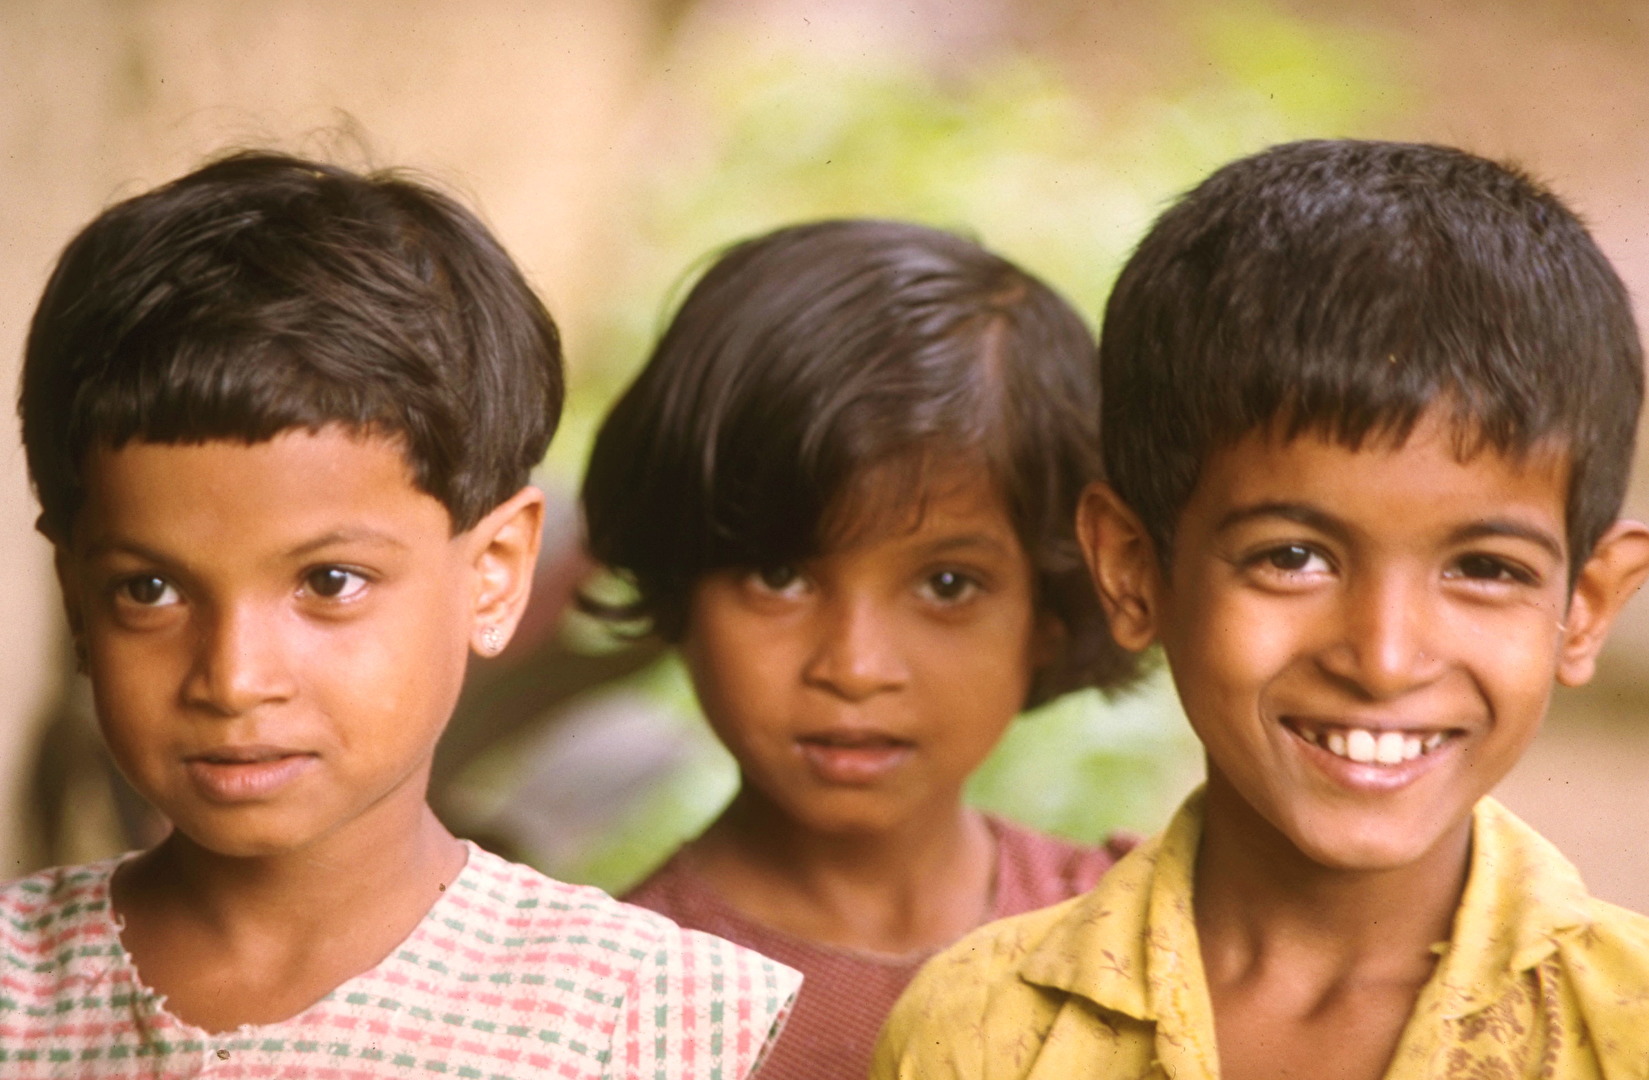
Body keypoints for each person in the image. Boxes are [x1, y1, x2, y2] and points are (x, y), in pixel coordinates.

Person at [1, 151, 798, 1079]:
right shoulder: (18, 994)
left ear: (493, 575)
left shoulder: (651, 1024)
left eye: (330, 582)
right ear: (74, 595)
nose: (234, 676)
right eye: (151, 590)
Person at [870, 138, 1649, 1080]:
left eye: (1483, 567)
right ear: (1130, 570)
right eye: (1292, 557)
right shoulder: (990, 1034)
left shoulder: (1624, 1027)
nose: (1384, 657)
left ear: (1586, 605)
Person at [581, 218, 1140, 1080]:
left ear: (1052, 608)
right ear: (677, 578)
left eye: (947, 585)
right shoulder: (605, 1016)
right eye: (778, 576)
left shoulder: (1136, 935)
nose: (853, 666)